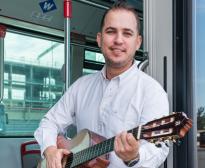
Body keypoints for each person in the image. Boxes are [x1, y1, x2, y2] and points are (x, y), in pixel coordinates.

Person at [34, 1, 169, 168]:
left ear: (138, 42)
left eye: (127, 33)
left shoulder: (152, 92)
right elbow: (49, 122)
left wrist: (134, 157)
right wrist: (50, 149)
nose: (118, 40)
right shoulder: (81, 86)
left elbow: (159, 150)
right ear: (99, 39)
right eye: (111, 32)